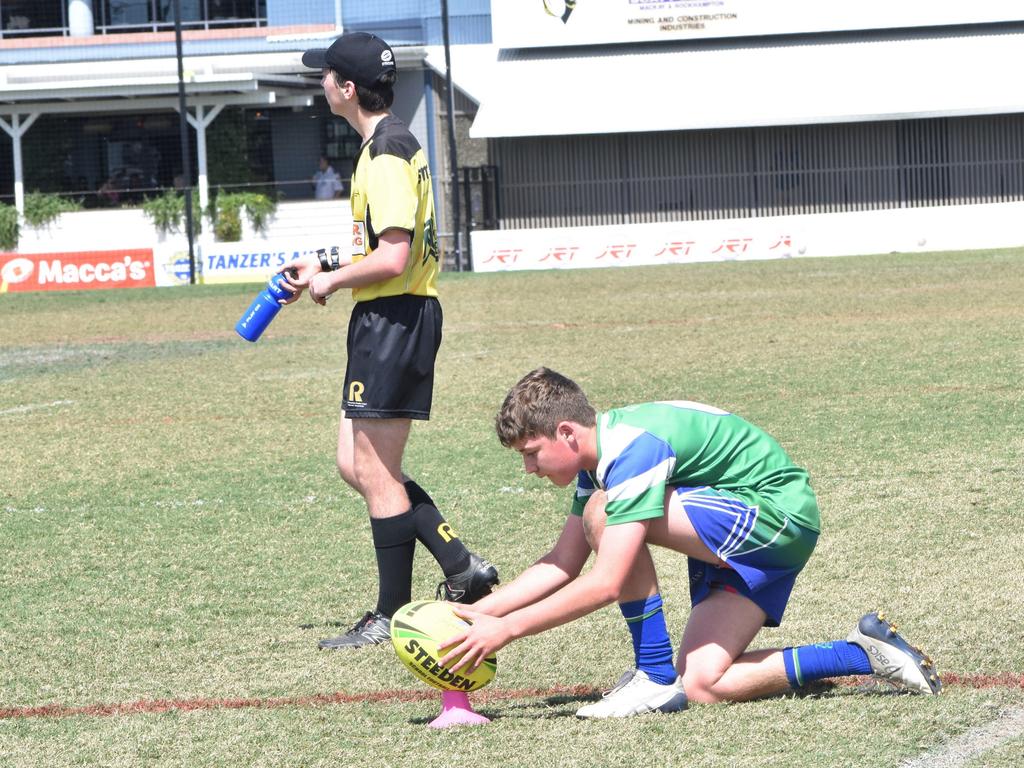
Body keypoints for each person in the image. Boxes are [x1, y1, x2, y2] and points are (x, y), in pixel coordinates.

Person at [441, 367, 941, 718]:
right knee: (703, 682)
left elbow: (607, 581)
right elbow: (561, 562)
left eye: (532, 454)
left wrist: (507, 630)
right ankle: (863, 653)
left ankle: (652, 677)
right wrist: (479, 614)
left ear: (567, 433)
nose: (529, 469)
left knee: (606, 512)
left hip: (775, 517)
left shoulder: (632, 451)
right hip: (739, 535)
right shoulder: (603, 462)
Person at [279, 32, 498, 649]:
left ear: (347, 89)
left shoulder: (387, 152)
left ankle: (390, 614)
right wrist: (321, 267)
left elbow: (395, 257)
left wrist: (330, 283)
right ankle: (461, 567)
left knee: (375, 471)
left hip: (395, 316)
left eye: (325, 76)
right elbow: (379, 244)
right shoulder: (385, 145)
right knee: (357, 464)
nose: (320, 84)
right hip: (387, 316)